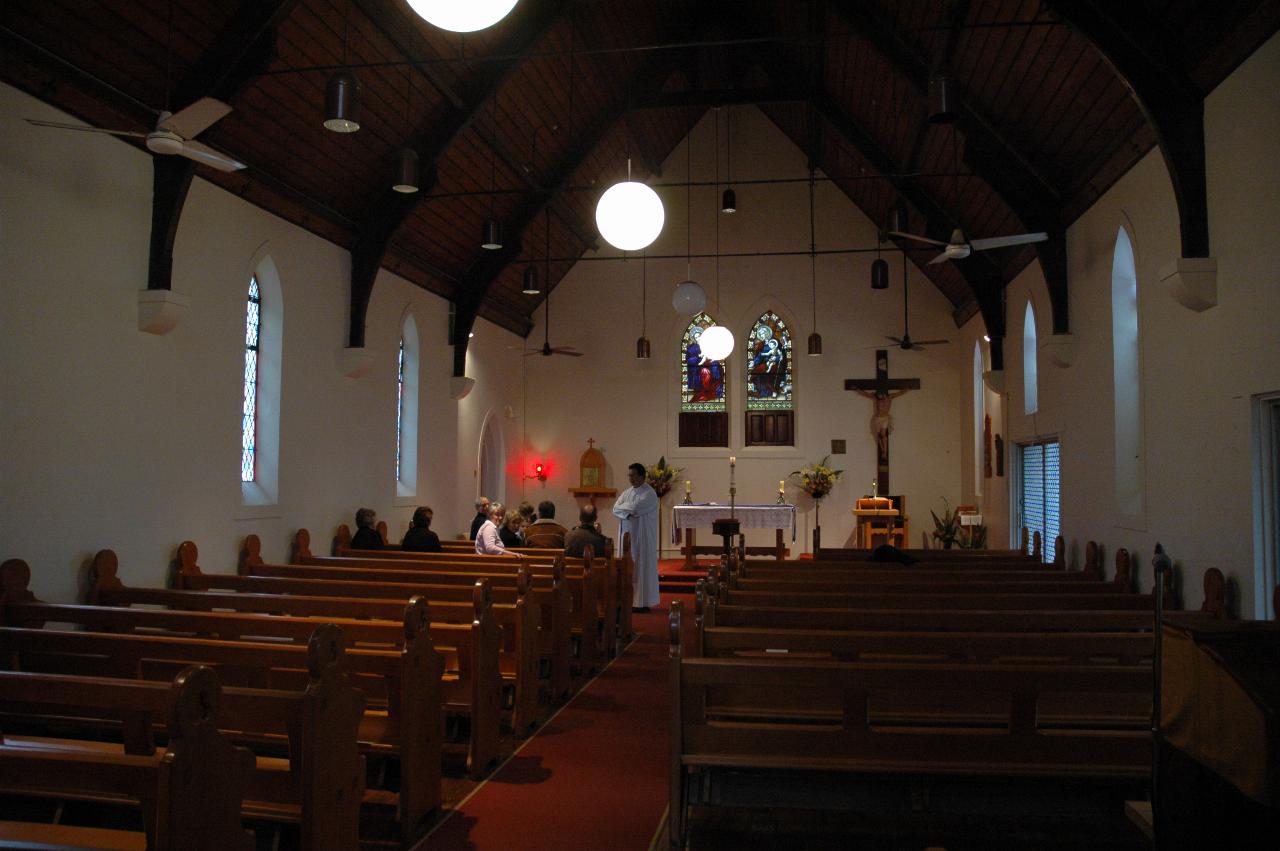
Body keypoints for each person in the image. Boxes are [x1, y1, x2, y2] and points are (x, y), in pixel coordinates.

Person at [612, 462, 659, 611]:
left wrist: (625, 509)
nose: (630, 478)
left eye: (633, 475)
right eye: (629, 475)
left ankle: (643, 602)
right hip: (626, 536)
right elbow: (615, 508)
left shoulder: (649, 493)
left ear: (641, 476)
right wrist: (628, 510)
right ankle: (628, 600)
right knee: (628, 566)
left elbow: (636, 508)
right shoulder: (627, 493)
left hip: (642, 537)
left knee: (641, 566)